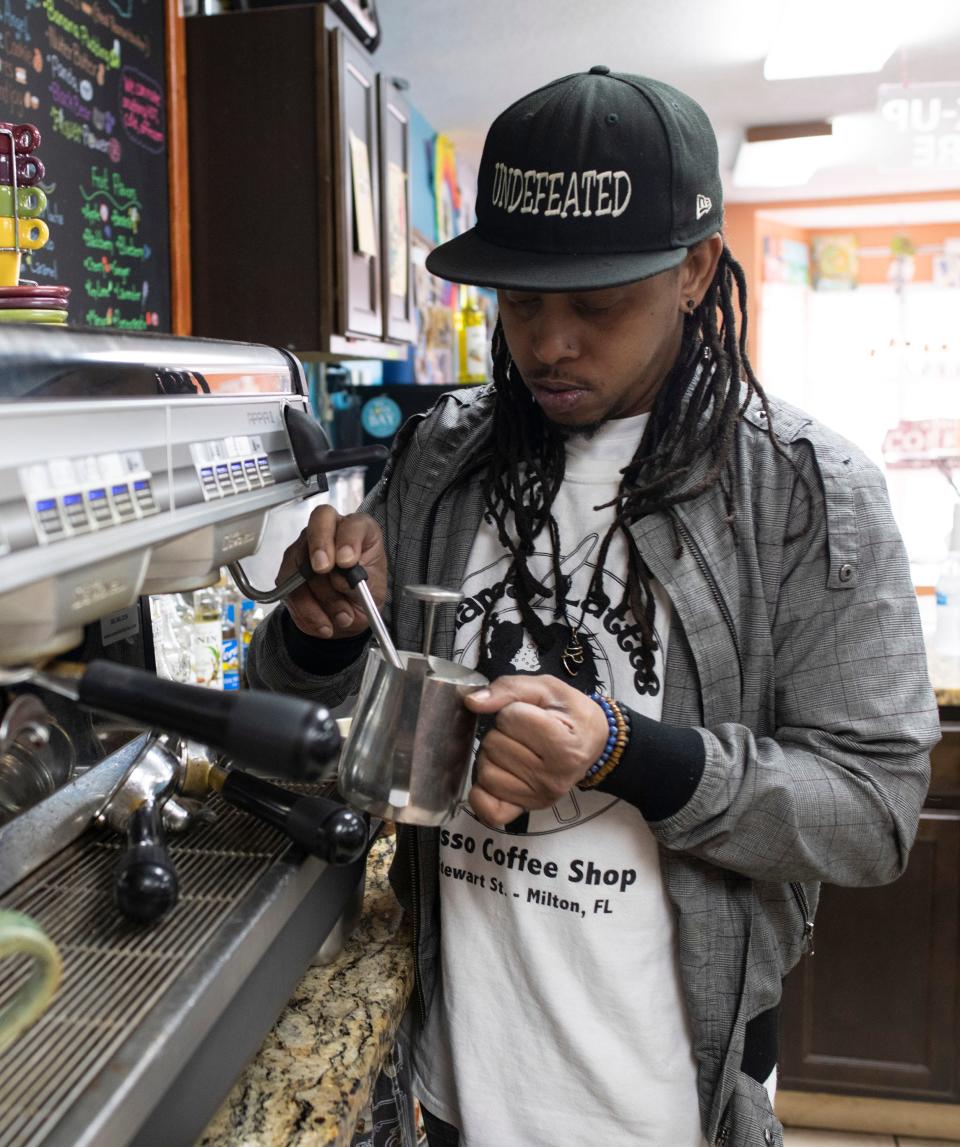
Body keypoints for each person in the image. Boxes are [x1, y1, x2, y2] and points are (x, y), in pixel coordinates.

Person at [248, 67, 938, 1147]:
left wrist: (622, 750)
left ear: (697, 270)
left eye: (597, 304)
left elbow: (876, 807)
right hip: (458, 1084)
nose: (548, 342)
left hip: (667, 1107)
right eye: (520, 300)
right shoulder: (441, 459)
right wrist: (317, 635)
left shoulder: (805, 495)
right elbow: (319, 723)